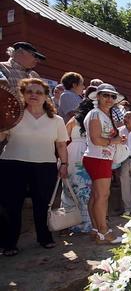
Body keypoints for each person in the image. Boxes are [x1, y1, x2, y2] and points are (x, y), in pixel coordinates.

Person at [0, 78, 68, 256]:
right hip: (13, 164)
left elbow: (61, 145)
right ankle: (9, 243)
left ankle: (44, 238)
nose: (34, 95)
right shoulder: (13, 115)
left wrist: (64, 164)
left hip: (45, 166)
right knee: (12, 206)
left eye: (39, 92)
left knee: (42, 204)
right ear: (22, 94)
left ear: (46, 96)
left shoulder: (57, 120)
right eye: (29, 91)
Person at [83, 83, 127, 244]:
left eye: (112, 96)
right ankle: (104, 231)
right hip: (98, 158)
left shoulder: (103, 114)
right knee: (102, 196)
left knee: (96, 196)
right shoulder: (95, 114)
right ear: (98, 96)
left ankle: (96, 230)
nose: (109, 99)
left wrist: (115, 140)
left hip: (100, 158)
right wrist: (113, 140)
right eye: (105, 95)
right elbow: (96, 139)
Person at [61, 86, 98, 234]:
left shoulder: (72, 120)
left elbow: (64, 139)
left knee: (70, 189)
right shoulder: (94, 120)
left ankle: (72, 221)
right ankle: (89, 221)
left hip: (71, 154)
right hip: (88, 152)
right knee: (87, 189)